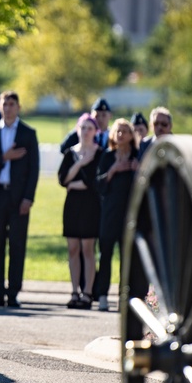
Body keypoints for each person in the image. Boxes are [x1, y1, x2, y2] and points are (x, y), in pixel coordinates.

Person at [0, 91, 39, 308]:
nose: (8, 107)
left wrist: (28, 198)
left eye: (12, 104)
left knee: (17, 245)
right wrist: (4, 157)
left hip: (18, 197)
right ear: (0, 107)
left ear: (18, 107)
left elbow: (34, 169)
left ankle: (13, 293)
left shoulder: (28, 133)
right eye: (5, 103)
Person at [58, 114, 103, 309]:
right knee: (73, 249)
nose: (85, 132)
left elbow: (95, 183)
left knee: (88, 249)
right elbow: (62, 179)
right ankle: (75, 291)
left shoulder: (100, 153)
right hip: (72, 206)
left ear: (95, 132)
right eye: (82, 128)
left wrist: (75, 184)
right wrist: (81, 164)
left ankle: (88, 293)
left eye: (89, 128)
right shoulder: (71, 153)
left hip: (90, 206)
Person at [96, 118, 139, 311]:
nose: (120, 135)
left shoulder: (137, 157)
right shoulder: (107, 156)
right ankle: (103, 295)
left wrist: (136, 171)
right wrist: (113, 170)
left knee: (127, 258)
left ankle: (125, 297)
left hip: (129, 215)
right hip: (110, 213)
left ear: (131, 135)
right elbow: (99, 186)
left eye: (125, 131)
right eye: (117, 131)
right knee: (105, 254)